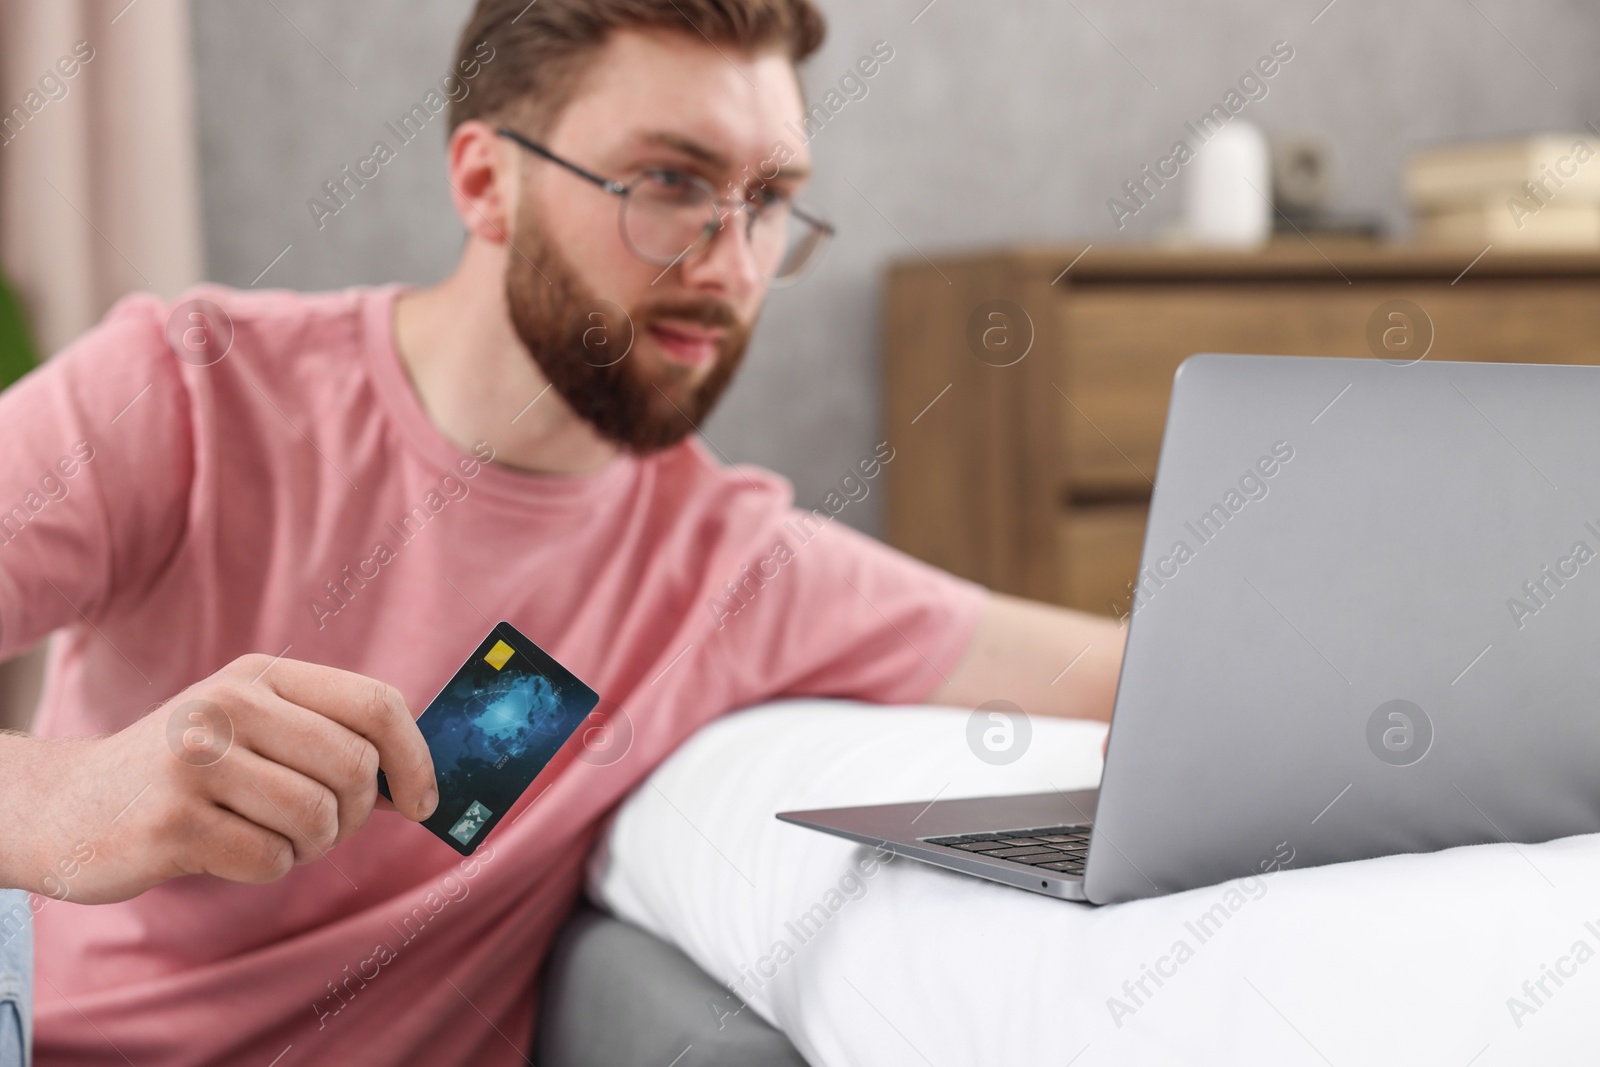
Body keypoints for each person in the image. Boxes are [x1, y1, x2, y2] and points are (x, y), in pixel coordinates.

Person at [0, 0, 1124, 1061]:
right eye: (670, 181)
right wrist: (74, 799)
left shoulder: (735, 567)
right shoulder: (185, 393)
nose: (730, 266)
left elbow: (1134, 679)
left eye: (769, 199)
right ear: (488, 182)